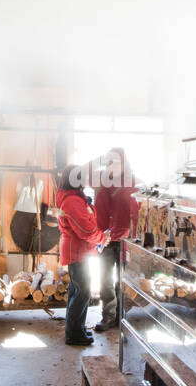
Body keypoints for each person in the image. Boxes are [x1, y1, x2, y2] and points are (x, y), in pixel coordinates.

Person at [54, 163, 108, 345]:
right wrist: (101, 238)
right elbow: (85, 230)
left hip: (80, 251)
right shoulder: (72, 202)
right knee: (82, 292)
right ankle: (75, 335)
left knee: (77, 291)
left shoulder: (75, 198)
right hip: (78, 252)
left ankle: (77, 329)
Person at [91, 147, 138, 332]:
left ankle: (121, 315)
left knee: (122, 279)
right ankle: (108, 316)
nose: (111, 166)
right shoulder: (102, 183)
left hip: (125, 239)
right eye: (108, 162)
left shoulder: (132, 184)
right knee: (105, 279)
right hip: (105, 239)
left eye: (114, 162)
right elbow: (99, 211)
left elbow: (137, 212)